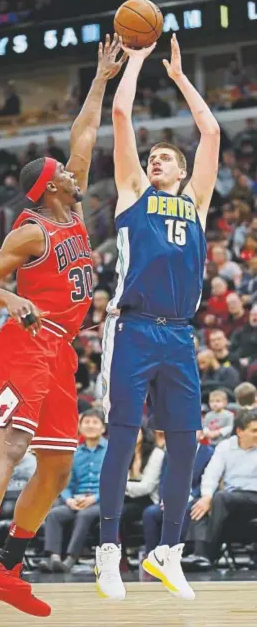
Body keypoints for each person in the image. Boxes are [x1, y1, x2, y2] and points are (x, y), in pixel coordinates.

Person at [0, 34, 126, 617]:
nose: (79, 171)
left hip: (62, 352)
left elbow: (82, 135)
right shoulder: (31, 231)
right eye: (67, 173)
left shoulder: (71, 207)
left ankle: (7, 559)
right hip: (26, 343)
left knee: (55, 463)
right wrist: (11, 300)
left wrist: (100, 78)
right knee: (13, 440)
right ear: (51, 185)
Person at [97, 33, 220, 601]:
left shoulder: (196, 201)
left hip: (180, 336)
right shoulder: (132, 191)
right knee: (122, 438)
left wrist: (178, 77)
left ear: (184, 168)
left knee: (186, 441)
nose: (155, 158)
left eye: (165, 155)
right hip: (134, 328)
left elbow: (212, 131)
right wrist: (139, 62)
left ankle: (167, 551)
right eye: (153, 155)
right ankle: (107, 551)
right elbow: (120, 112)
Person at [187, 408, 257, 568]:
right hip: (232, 499)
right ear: (240, 431)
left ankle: (207, 553)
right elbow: (211, 473)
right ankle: (198, 555)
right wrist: (206, 497)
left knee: (220, 497)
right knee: (200, 504)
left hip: (253, 497)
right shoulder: (225, 446)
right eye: (254, 430)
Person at [41, 409, 107, 573]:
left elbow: (115, 483)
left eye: (95, 422)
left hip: (102, 502)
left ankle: (70, 559)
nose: (90, 426)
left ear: (103, 428)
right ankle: (54, 558)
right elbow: (66, 483)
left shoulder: (111, 451)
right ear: (80, 427)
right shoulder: (74, 453)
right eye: (86, 422)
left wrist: (94, 499)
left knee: (85, 515)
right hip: (76, 501)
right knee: (55, 514)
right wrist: (69, 500)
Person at [143, 436, 213, 557]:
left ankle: (175, 555)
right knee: (150, 513)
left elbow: (207, 480)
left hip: (194, 498)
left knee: (183, 509)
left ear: (201, 434)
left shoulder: (209, 453)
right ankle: (152, 556)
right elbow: (164, 479)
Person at [119, 427, 164, 556]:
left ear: (144, 432)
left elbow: (147, 487)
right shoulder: (124, 453)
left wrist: (121, 486)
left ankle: (123, 556)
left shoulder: (156, 454)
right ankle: (118, 557)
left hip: (148, 499)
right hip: (126, 497)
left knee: (119, 513)